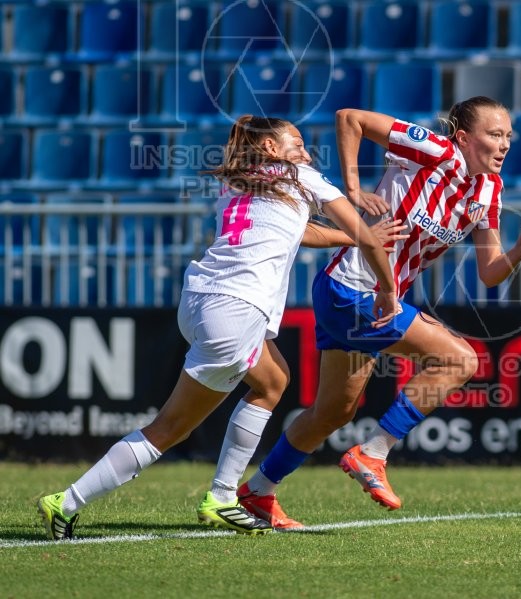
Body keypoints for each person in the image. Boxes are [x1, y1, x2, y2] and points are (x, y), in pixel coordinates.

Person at [36, 115, 400, 540]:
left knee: (273, 380)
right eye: (297, 143)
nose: (306, 152)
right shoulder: (300, 176)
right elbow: (365, 236)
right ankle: (67, 502)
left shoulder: (237, 181)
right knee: (170, 428)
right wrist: (387, 288)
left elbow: (299, 232)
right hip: (236, 309)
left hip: (201, 299)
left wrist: (353, 238)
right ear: (270, 147)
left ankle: (224, 496)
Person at [231, 96, 521, 526]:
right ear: (463, 138)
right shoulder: (433, 150)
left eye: (508, 135)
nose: (505, 144)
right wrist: (354, 189)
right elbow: (349, 117)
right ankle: (374, 453)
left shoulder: (489, 190)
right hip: (352, 290)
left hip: (358, 298)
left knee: (334, 412)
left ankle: (258, 491)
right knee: (460, 359)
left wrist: (520, 250)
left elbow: (490, 272)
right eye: (494, 134)